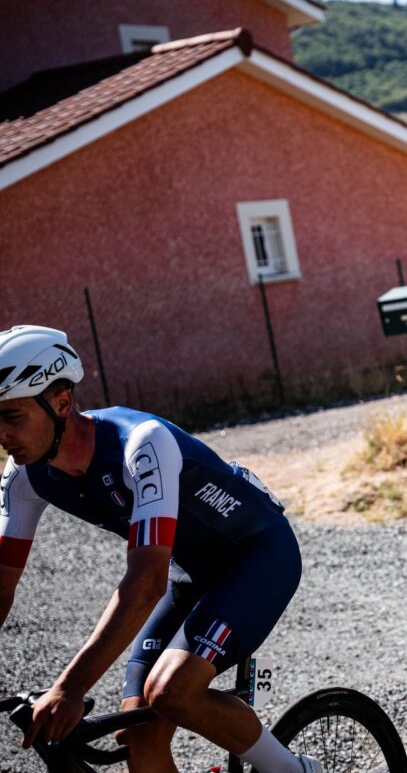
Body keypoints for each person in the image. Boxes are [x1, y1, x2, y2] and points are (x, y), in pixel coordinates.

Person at [0, 326, 316, 772]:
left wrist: (70, 688)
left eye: (12, 417)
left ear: (62, 404)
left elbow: (146, 580)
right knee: (137, 734)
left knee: (171, 692)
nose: (2, 434)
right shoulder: (25, 476)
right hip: (196, 573)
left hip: (258, 555)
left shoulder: (141, 444)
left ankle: (295, 771)